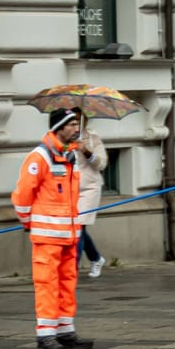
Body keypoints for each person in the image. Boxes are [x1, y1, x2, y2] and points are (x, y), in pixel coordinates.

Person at [14, 109, 87, 349]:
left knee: (67, 282)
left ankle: (65, 331)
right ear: (59, 127)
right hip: (47, 236)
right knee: (47, 284)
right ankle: (45, 335)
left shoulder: (70, 155)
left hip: (68, 234)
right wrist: (28, 222)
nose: (77, 128)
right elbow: (23, 195)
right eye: (72, 124)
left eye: (78, 123)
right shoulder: (41, 157)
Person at [73, 116, 108, 279]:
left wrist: (86, 150)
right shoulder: (61, 140)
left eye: (76, 120)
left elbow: (101, 164)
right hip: (69, 188)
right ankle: (96, 258)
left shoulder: (92, 139)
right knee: (76, 226)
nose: (73, 124)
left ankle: (72, 268)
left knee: (79, 226)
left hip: (89, 188)